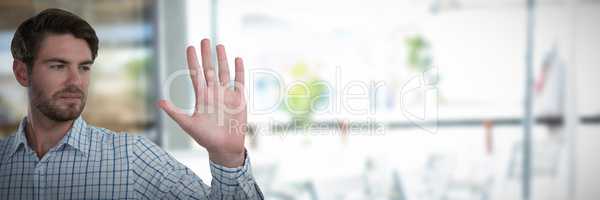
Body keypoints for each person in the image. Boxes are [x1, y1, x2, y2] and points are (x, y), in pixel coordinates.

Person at [0, 8, 263, 200]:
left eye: (84, 67)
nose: (75, 81)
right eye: (58, 66)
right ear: (23, 72)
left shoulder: (131, 156)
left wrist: (228, 159)